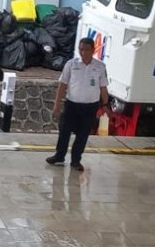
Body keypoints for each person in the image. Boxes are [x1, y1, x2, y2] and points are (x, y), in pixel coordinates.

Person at [47, 38, 110, 171]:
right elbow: (62, 85)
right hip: (72, 105)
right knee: (64, 131)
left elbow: (103, 88)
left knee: (83, 135)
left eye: (86, 49)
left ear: (93, 50)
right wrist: (57, 104)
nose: (83, 52)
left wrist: (105, 105)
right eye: (80, 49)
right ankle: (59, 156)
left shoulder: (100, 67)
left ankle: (76, 160)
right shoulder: (71, 64)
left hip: (90, 107)